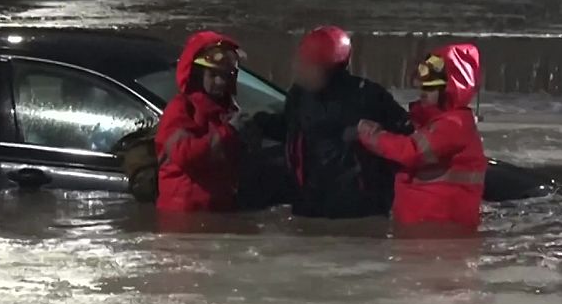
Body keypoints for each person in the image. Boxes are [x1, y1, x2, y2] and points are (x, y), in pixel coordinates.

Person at [254, 26, 413, 218]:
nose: (299, 69)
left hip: (359, 212)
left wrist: (368, 137)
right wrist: (258, 123)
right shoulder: (299, 95)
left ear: (332, 70)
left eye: (308, 65)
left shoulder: (369, 96)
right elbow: (291, 131)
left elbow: (407, 140)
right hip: (308, 207)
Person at [356, 43, 487, 231]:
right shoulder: (432, 122)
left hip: (442, 231)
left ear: (450, 89)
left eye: (430, 88)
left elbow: (413, 152)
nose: (422, 92)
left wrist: (372, 136)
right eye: (422, 86)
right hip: (424, 228)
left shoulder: (455, 124)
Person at [154, 31, 248, 212]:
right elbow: (185, 154)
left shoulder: (228, 110)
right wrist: (229, 132)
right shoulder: (181, 109)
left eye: (225, 75)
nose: (220, 82)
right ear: (197, 75)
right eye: (212, 75)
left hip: (215, 211)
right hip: (184, 215)